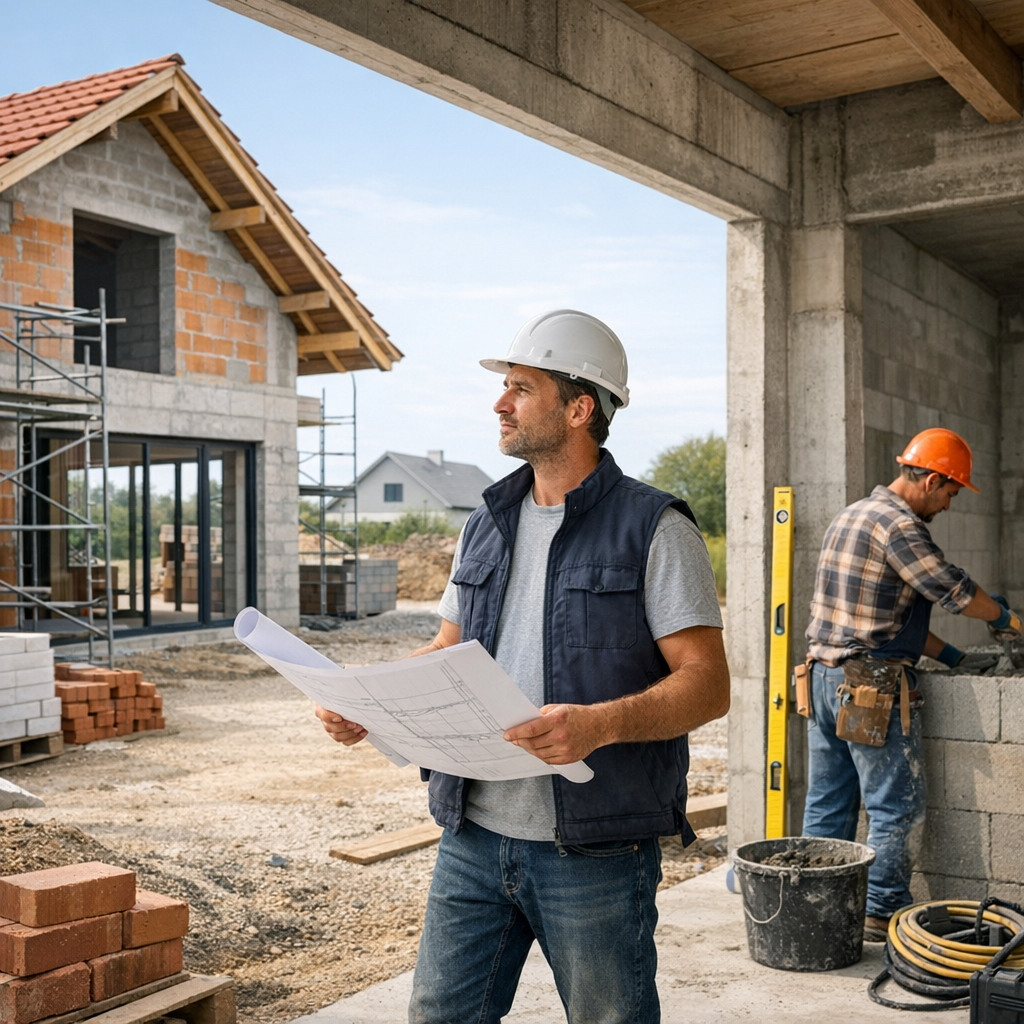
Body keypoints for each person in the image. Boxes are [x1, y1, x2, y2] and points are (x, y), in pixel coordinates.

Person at [316, 309, 729, 1023]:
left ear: (579, 407)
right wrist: (369, 696)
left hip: (596, 850)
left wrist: (599, 725)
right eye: (504, 387)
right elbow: (448, 648)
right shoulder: (485, 521)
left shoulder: (655, 528)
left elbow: (707, 682)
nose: (499, 403)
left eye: (520, 387)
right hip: (472, 838)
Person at [802, 427, 1023, 942]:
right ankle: (881, 911)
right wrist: (1007, 619)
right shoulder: (901, 526)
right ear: (928, 479)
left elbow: (881, 616)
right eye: (949, 492)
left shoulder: (853, 514)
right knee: (896, 806)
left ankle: (816, 906)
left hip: (822, 678)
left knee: (828, 803)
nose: (948, 504)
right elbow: (954, 591)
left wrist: (954, 656)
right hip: (869, 685)